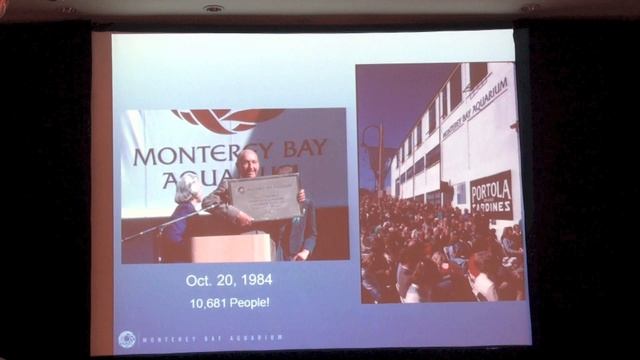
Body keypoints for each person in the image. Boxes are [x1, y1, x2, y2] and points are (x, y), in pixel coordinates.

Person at [201, 149, 305, 237]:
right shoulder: (228, 185)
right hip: (239, 241)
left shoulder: (268, 186)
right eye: (246, 162)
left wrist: (296, 199)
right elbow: (208, 203)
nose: (251, 167)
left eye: (254, 162)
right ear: (238, 165)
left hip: (266, 241)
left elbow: (284, 212)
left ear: (259, 165)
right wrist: (236, 214)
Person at [273, 165, 317, 261]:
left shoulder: (307, 204)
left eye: (289, 177)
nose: (285, 181)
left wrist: (306, 251)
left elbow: (311, 234)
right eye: (281, 178)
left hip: (295, 257)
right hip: (273, 255)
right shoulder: (270, 204)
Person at [160, 173, 203, 263]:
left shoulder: (183, 208)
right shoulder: (187, 209)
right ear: (193, 190)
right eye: (200, 188)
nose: (202, 191)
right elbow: (173, 238)